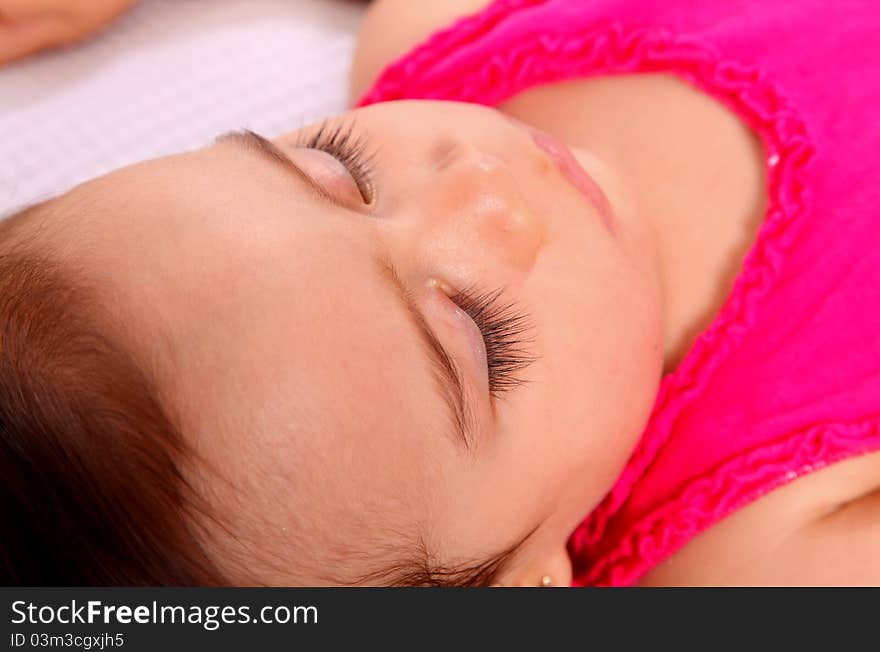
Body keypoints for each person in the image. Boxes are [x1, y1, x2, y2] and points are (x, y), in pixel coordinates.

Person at [1, 0, 878, 586]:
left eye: (335, 167)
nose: (481, 185)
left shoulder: (447, 45)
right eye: (477, 328)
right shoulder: (754, 549)